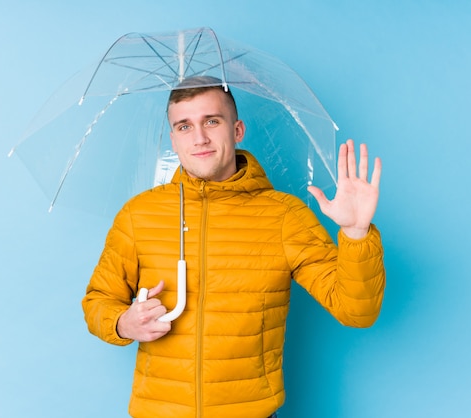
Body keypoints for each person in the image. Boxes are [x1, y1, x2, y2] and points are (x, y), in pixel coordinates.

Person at [82, 76, 385, 418]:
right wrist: (123, 323)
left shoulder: (284, 215)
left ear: (237, 130)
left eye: (212, 121)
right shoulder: (139, 214)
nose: (199, 138)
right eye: (184, 126)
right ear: (173, 138)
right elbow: (98, 302)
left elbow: (356, 310)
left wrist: (356, 233)